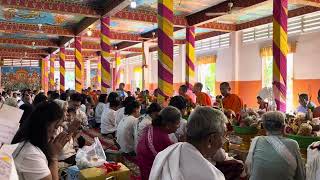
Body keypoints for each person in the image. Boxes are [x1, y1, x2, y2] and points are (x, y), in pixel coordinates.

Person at [149, 107, 226, 180]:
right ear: (210, 140)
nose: (223, 141)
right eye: (223, 136)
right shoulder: (211, 176)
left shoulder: (165, 153)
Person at [11, 101, 72, 180]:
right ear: (44, 125)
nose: (54, 134)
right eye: (55, 127)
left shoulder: (27, 141)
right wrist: (54, 157)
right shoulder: (30, 154)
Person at [245, 111, 305, 180]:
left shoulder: (256, 140)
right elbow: (301, 175)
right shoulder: (293, 144)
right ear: (284, 127)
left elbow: (248, 170)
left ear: (264, 127)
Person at [136, 106, 181, 180]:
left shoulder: (151, 127)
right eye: (177, 123)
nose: (178, 126)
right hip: (150, 172)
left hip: (143, 167)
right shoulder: (163, 139)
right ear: (169, 124)